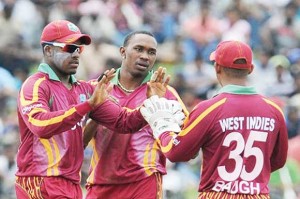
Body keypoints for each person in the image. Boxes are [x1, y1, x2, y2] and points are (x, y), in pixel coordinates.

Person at [14, 20, 175, 199]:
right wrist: (87, 106)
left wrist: (151, 103)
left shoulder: (85, 89)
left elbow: (124, 122)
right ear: (48, 50)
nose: (75, 54)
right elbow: (40, 125)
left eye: (79, 49)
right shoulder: (35, 85)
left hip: (72, 184)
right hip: (40, 180)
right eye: (69, 48)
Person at [141, 40, 289, 198]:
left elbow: (176, 153)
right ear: (251, 69)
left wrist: (162, 126)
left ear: (217, 67)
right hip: (257, 195)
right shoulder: (274, 110)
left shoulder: (209, 108)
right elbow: (278, 161)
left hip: (217, 194)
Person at [83, 30, 188, 199]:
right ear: (123, 52)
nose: (145, 56)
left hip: (144, 182)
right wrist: (97, 113)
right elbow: (78, 143)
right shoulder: (97, 89)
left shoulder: (165, 93)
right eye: (139, 49)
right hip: (101, 184)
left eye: (151, 52)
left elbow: (186, 141)